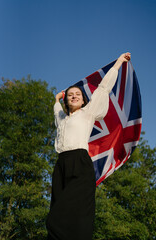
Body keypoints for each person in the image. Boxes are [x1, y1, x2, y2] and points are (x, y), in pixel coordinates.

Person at [46, 52, 131, 240]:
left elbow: (103, 88)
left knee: (58, 219)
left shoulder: (88, 113)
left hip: (80, 162)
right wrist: (56, 99)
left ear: (83, 100)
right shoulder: (62, 119)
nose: (74, 96)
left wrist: (118, 63)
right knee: (57, 207)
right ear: (67, 101)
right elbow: (56, 111)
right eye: (70, 95)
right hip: (61, 165)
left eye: (77, 94)